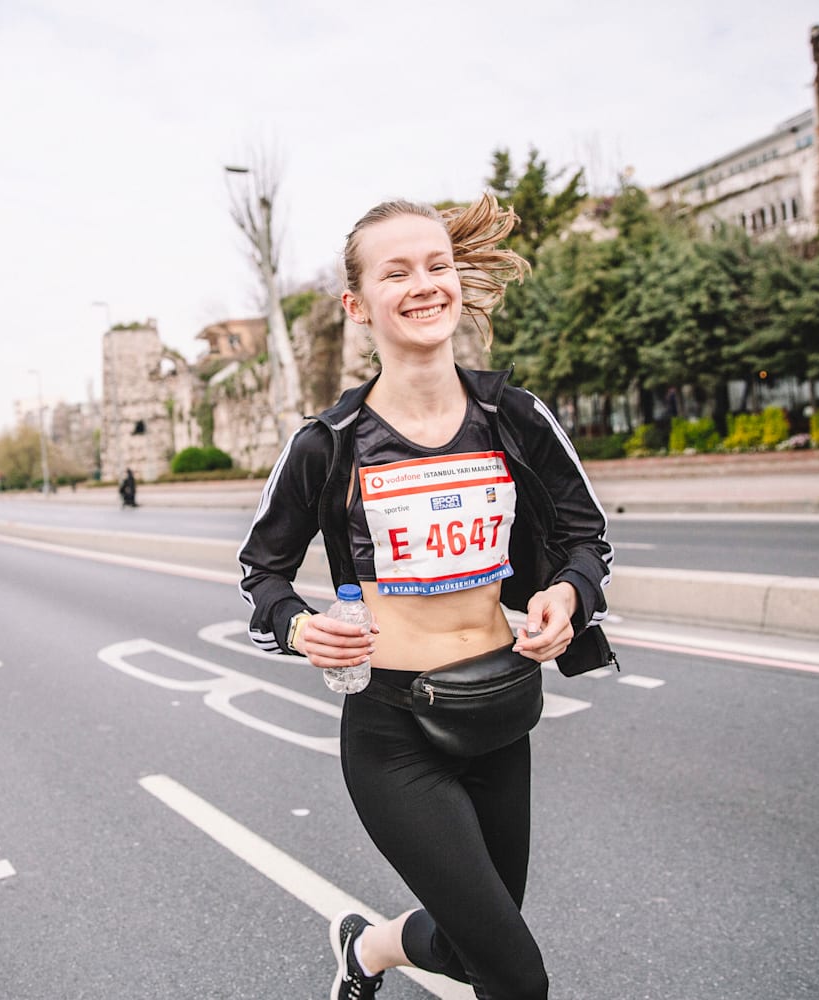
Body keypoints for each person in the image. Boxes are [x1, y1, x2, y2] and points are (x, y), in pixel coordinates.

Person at [237, 193, 613, 1000]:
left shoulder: (513, 415)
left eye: (437, 265)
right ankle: (378, 949)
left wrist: (567, 598)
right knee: (516, 975)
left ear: (458, 282)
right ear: (358, 304)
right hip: (393, 731)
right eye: (396, 271)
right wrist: (299, 628)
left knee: (471, 943)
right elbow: (260, 573)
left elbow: (588, 539)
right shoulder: (328, 443)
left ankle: (367, 949)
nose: (423, 284)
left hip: (499, 708)